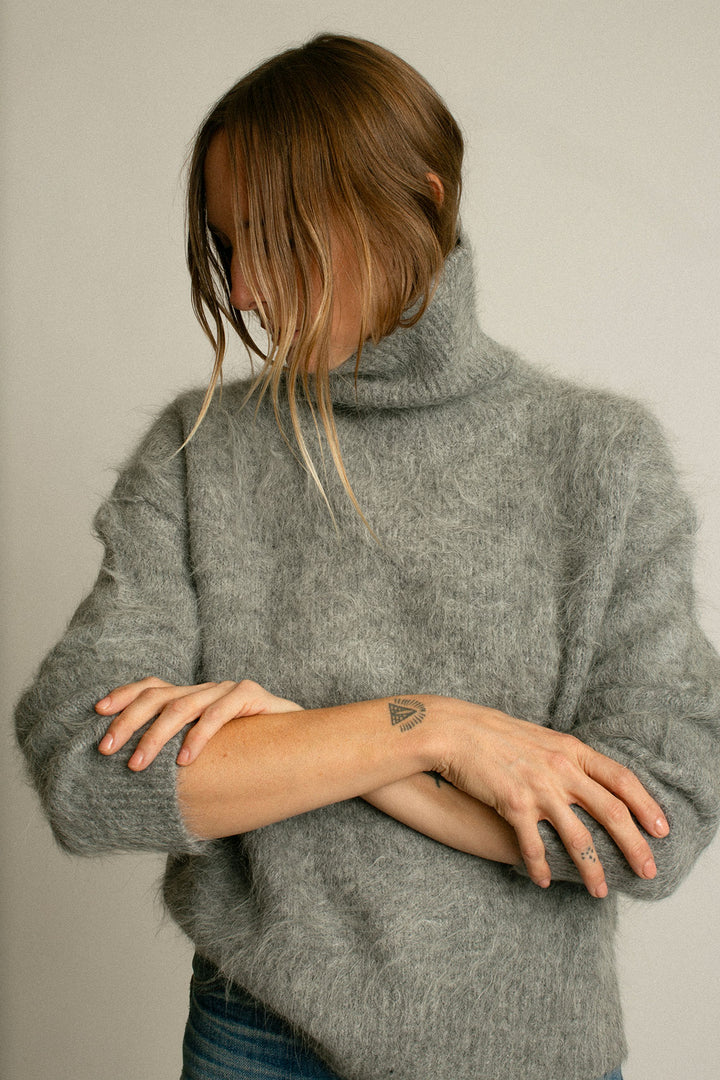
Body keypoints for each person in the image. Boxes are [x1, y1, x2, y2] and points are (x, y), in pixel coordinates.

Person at [14, 33, 720, 1080]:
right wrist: (431, 729)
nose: (244, 292)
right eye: (228, 246)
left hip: (528, 1052)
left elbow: (648, 828)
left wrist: (330, 750)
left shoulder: (600, 458)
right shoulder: (199, 452)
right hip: (256, 1042)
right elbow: (86, 771)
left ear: (417, 206)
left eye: (274, 241)